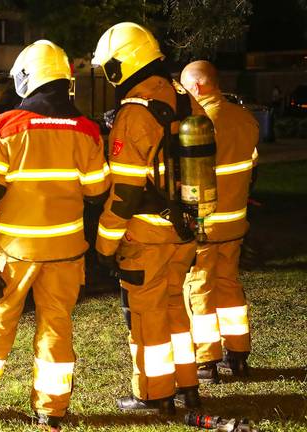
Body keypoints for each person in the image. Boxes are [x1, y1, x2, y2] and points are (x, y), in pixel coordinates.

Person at [0, 40, 110, 429]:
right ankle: (52, 410)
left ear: (25, 78)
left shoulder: (8, 128)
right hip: (67, 253)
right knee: (57, 328)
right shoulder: (86, 131)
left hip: (15, 253)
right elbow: (98, 192)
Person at [92, 22, 207, 414]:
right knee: (176, 307)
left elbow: (124, 193)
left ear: (123, 63)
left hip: (147, 237)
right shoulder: (182, 96)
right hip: (185, 230)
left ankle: (154, 394)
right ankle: (188, 386)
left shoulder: (135, 113)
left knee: (147, 318)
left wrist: (105, 245)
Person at [180, 60, 259, 382]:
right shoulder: (246, 119)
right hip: (235, 223)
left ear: (197, 86)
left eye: (186, 88)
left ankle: (205, 361)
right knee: (229, 286)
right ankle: (237, 354)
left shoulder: (198, 123)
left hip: (205, 225)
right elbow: (252, 168)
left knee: (199, 288)